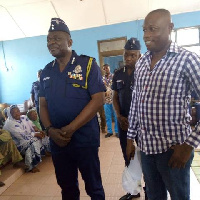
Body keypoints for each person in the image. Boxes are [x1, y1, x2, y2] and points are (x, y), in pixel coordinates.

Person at [126, 9, 200, 200]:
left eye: (153, 29)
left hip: (174, 151)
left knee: (179, 196)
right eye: (144, 30)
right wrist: (130, 137)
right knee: (153, 195)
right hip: (147, 149)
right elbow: (136, 101)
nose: (146, 36)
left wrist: (190, 145)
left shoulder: (187, 60)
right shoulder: (141, 63)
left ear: (170, 28)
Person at [39, 18, 105, 200]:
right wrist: (50, 130)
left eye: (56, 38)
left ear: (69, 41)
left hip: (85, 140)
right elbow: (42, 105)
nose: (51, 42)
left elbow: (98, 99)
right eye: (49, 39)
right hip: (58, 142)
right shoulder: (46, 72)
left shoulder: (88, 65)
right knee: (67, 188)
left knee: (94, 187)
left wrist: (71, 128)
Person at [112, 38, 141, 199]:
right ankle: (133, 191)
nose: (128, 58)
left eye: (132, 55)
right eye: (126, 55)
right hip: (124, 123)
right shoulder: (118, 74)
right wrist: (118, 116)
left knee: (146, 157)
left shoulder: (145, 72)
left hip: (142, 125)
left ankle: (150, 189)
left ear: (139, 55)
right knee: (127, 154)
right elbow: (115, 97)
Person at [3, 105, 46, 173]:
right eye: (14, 112)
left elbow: (32, 125)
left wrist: (38, 130)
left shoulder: (24, 117)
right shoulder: (10, 124)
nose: (17, 113)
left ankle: (44, 153)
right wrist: (36, 134)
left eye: (18, 111)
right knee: (32, 143)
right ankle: (31, 166)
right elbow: (21, 136)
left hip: (29, 136)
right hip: (18, 143)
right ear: (10, 114)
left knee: (44, 135)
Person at [102, 64, 118, 138]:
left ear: (109, 68)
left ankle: (117, 131)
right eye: (104, 69)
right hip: (106, 100)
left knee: (115, 116)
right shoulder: (102, 79)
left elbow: (116, 86)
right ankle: (109, 131)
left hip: (114, 99)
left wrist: (110, 90)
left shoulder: (114, 76)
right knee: (107, 116)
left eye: (107, 68)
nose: (106, 69)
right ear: (103, 70)